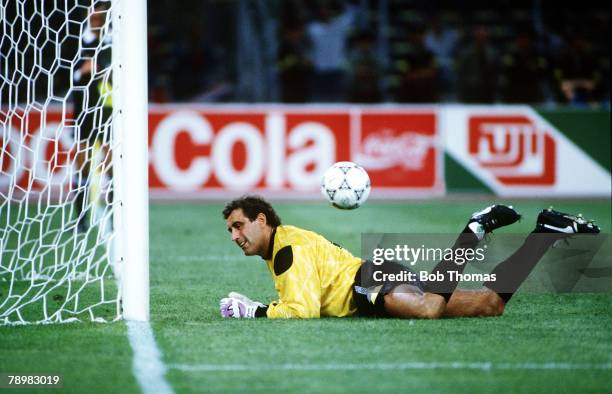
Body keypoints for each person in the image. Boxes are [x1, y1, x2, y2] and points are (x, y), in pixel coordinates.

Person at [219, 196, 600, 319]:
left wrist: (254, 310)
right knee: (490, 303)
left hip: (367, 282)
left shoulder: (287, 248)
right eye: (231, 231)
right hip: (372, 280)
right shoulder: (284, 244)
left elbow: (300, 310)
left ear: (262, 220)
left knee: (429, 309)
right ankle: (547, 232)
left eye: (239, 226)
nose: (236, 236)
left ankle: (475, 229)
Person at [71, 1, 113, 232]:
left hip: (108, 110)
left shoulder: (113, 42)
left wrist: (105, 71)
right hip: (83, 108)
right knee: (82, 163)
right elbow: (61, 74)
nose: (97, 13)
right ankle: (80, 220)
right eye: (94, 8)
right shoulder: (75, 39)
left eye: (102, 9)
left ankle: (116, 220)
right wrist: (82, 72)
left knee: (111, 164)